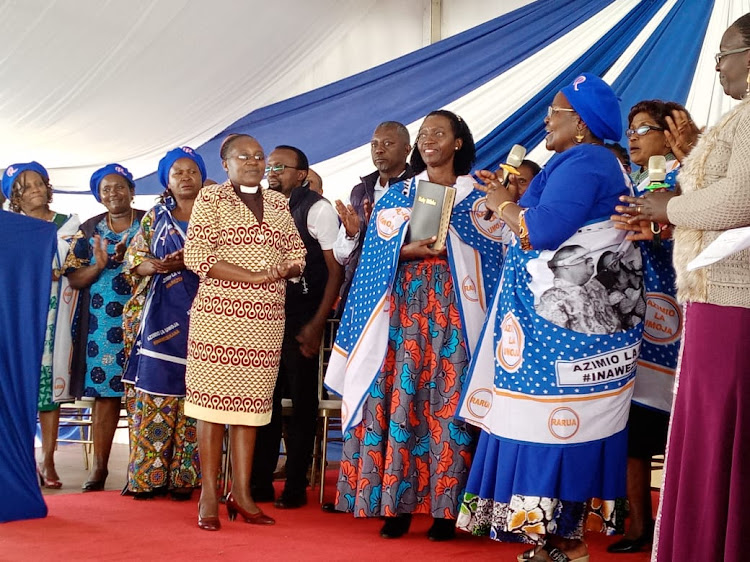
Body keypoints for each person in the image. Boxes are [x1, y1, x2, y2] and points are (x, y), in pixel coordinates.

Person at [457, 73, 641, 562]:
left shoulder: (584, 161)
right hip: (556, 330)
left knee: (550, 432)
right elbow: (528, 228)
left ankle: (563, 541)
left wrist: (504, 203)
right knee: (543, 430)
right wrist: (508, 199)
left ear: (579, 123)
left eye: (553, 113)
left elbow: (541, 231)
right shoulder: (580, 160)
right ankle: (554, 540)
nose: (545, 120)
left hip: (564, 336)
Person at [325, 110, 504, 541]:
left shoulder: (479, 198)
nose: (428, 140)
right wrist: (405, 252)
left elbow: (501, 255)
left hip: (458, 313)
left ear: (458, 142)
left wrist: (455, 244)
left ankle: (447, 512)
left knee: (450, 403)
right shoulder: (398, 194)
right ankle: (396, 505)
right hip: (404, 312)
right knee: (400, 400)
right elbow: (371, 259)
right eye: (423, 134)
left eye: (438, 134)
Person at [616, 15, 750, 561]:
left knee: (719, 427)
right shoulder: (738, 119)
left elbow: (740, 201)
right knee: (706, 427)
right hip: (714, 293)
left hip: (732, 297)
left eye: (724, 54)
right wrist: (684, 184)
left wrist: (666, 206)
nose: (718, 65)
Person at [183, 133, 306, 531]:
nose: (254, 162)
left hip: (266, 321)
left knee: (251, 411)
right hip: (218, 318)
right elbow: (197, 255)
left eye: (259, 157)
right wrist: (253, 275)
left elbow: (297, 253)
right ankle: (209, 496)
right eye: (244, 156)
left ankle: (243, 494)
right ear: (226, 163)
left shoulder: (278, 201)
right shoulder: (210, 199)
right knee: (211, 410)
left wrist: (290, 268)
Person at [607, 100, 693, 554]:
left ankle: (684, 521)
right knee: (633, 431)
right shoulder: (634, 182)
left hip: (679, 322)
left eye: (644, 129)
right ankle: (639, 526)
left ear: (670, 134)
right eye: (631, 129)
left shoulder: (687, 179)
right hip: (637, 323)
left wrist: (662, 229)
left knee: (681, 430)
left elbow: (704, 229)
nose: (634, 137)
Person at [252, 145, 343, 508]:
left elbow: (336, 270)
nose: (271, 171)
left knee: (302, 405)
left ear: (301, 174)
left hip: (302, 320)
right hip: (263, 320)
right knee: (263, 403)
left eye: (280, 166)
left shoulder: (317, 209)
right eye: (268, 166)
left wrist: (318, 323)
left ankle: (295, 485)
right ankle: (258, 482)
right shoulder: (260, 207)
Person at [121, 147, 207, 500]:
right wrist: (155, 266)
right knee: (156, 393)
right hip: (160, 318)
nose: (186, 177)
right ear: (166, 182)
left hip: (207, 314)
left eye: (192, 171)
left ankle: (184, 478)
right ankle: (148, 478)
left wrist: (189, 260)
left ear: (202, 176)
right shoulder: (155, 216)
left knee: (196, 399)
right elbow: (134, 259)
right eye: (178, 173)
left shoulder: (217, 213)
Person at [63, 164, 145, 492]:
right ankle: (99, 470)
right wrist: (98, 264)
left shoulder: (150, 221)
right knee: (106, 397)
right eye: (106, 189)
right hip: (102, 326)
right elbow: (74, 278)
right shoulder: (89, 229)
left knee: (145, 396)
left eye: (119, 187)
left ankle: (140, 472)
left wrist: (133, 258)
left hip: (145, 318)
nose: (113, 193)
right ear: (99, 195)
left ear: (131, 189)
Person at [2, 162, 80, 489]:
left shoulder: (67, 225)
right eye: (25, 186)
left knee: (48, 389)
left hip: (55, 313)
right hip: (18, 312)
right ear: (13, 197)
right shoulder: (9, 227)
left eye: (39, 183)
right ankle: (22, 459)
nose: (35, 189)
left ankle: (48, 458)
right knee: (18, 386)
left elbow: (75, 268)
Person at [332, 121, 413, 314]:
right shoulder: (360, 192)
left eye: (387, 143)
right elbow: (341, 255)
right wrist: (353, 234)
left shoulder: (419, 187)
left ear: (407, 149)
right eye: (374, 144)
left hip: (403, 292)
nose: (379, 150)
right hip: (361, 291)